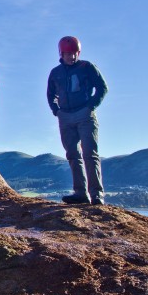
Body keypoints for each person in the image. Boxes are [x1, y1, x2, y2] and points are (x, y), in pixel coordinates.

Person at [47, 36, 108, 205]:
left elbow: (102, 87)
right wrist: (56, 111)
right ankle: (80, 193)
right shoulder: (55, 73)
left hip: (85, 114)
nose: (71, 57)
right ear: (61, 53)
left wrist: (91, 106)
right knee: (73, 155)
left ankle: (96, 194)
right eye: (68, 54)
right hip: (65, 117)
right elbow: (50, 94)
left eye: (74, 53)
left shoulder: (87, 67)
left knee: (90, 153)